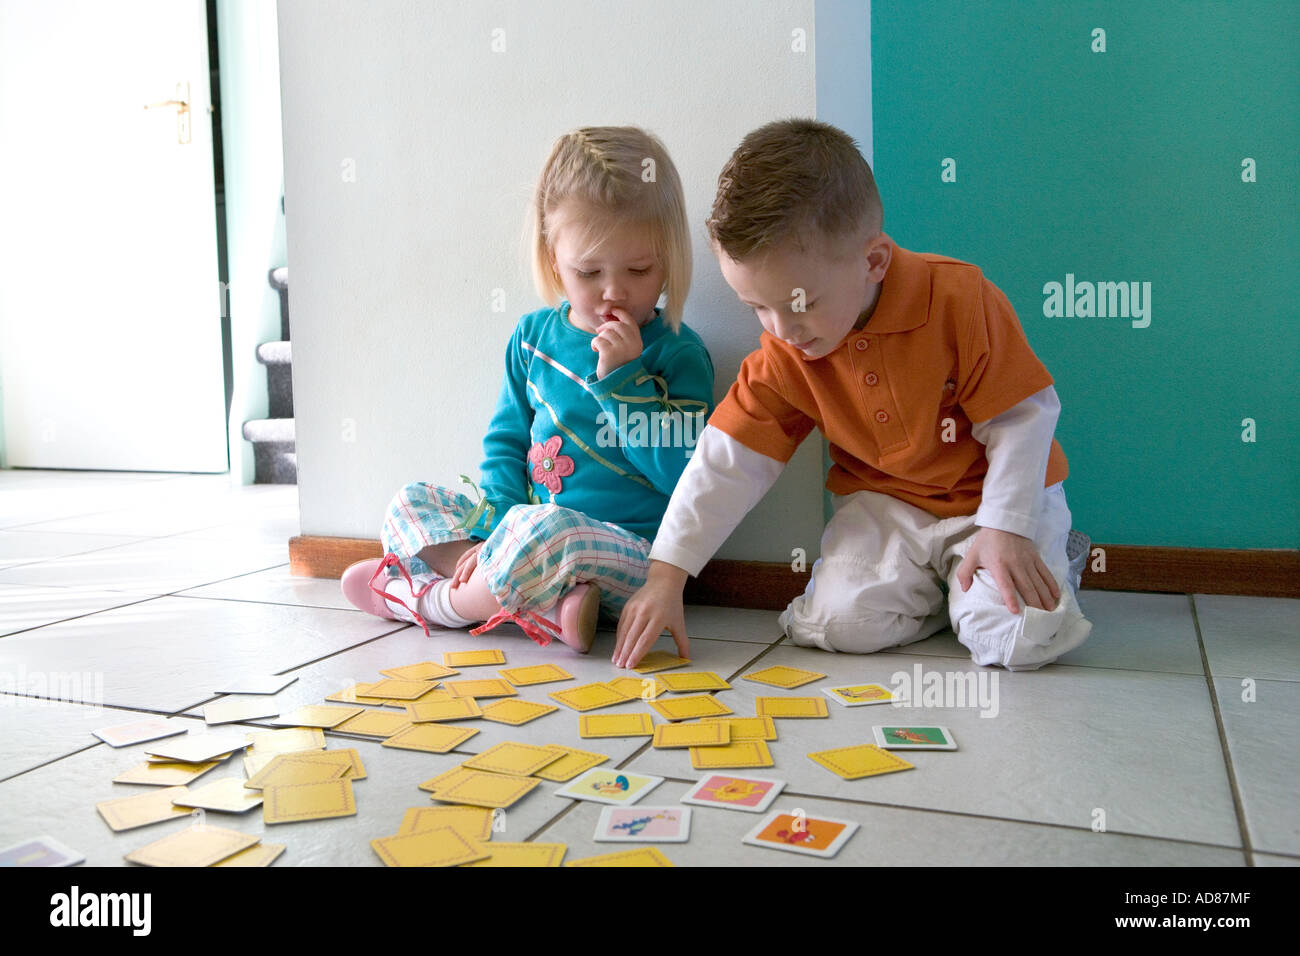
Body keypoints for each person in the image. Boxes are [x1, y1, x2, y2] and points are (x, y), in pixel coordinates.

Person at [614, 118, 1092, 671]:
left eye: (800, 303)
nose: (782, 329)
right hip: (886, 509)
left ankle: (1050, 559)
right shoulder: (784, 351)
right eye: (757, 309)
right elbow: (726, 462)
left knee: (1017, 640)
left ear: (873, 262)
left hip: (989, 506)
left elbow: (1022, 419)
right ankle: (941, 594)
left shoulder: (962, 299)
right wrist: (666, 576)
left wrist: (1006, 527)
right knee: (830, 626)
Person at [342, 126, 714, 652]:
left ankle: (431, 604)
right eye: (588, 271)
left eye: (639, 269)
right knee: (412, 502)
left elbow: (684, 475)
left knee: (552, 528)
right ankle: (548, 608)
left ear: (669, 257)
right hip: (524, 540)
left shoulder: (679, 354)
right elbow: (507, 443)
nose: (614, 291)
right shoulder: (532, 339)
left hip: (632, 559)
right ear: (552, 255)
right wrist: (495, 529)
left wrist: (624, 381)